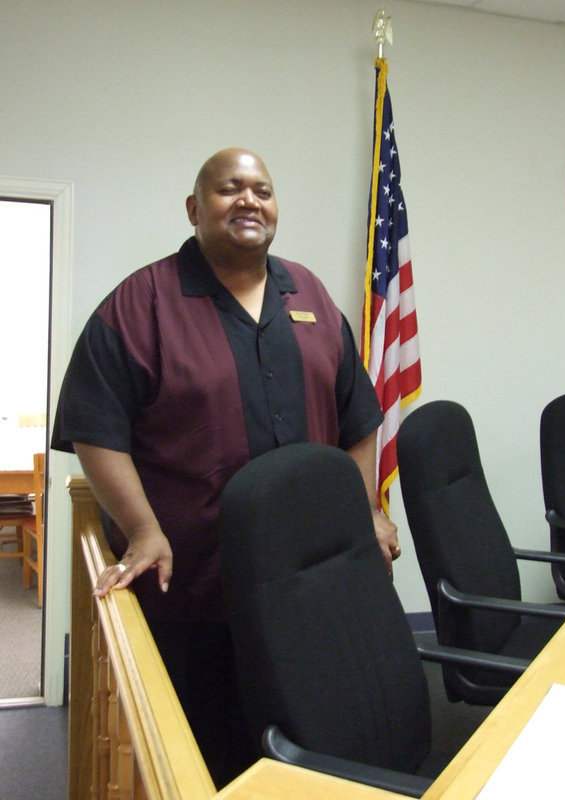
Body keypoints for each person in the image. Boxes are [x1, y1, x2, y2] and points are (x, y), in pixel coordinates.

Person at [52, 147, 400, 788]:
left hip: (308, 587)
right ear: (194, 209)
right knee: (202, 757)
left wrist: (366, 512)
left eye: (262, 190)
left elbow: (358, 420)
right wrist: (142, 528)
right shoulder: (142, 303)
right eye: (229, 188)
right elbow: (95, 429)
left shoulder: (312, 296)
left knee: (309, 749)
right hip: (196, 592)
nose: (249, 200)